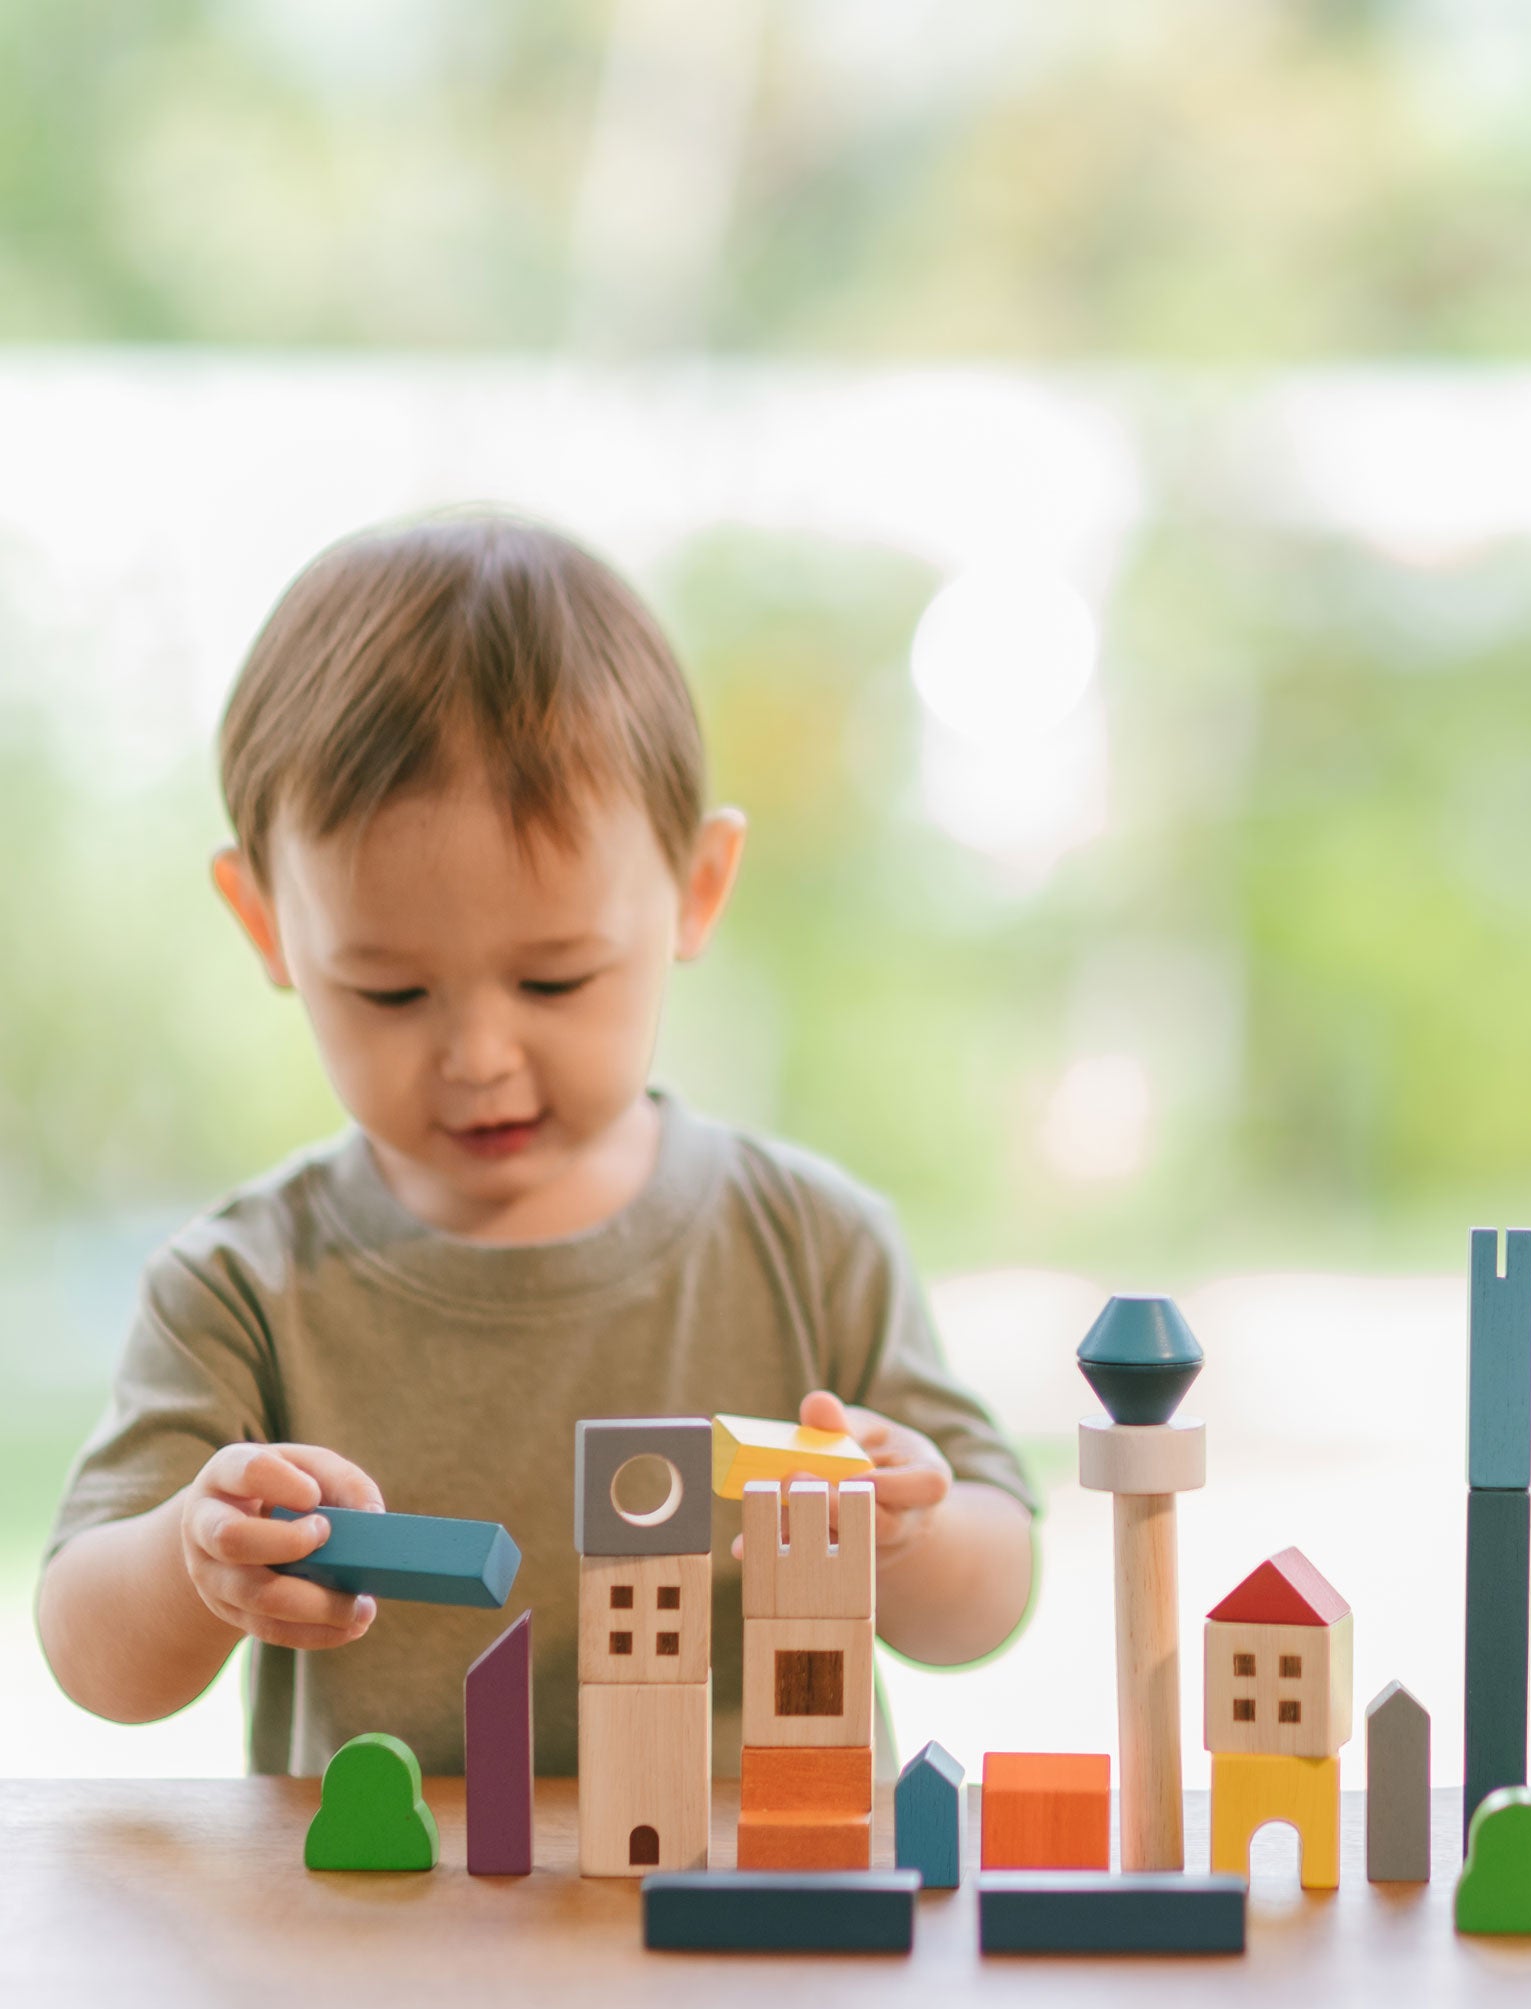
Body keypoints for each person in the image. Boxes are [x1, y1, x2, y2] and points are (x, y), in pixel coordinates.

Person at [35, 513, 1037, 1778]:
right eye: (392, 993)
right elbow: (90, 1655)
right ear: (265, 924)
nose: (477, 1056)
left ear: (697, 887)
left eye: (555, 979)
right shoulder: (243, 1284)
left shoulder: (809, 1243)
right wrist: (195, 1557)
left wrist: (906, 1539)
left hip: (747, 1923)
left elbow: (988, 1599)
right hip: (387, 1932)